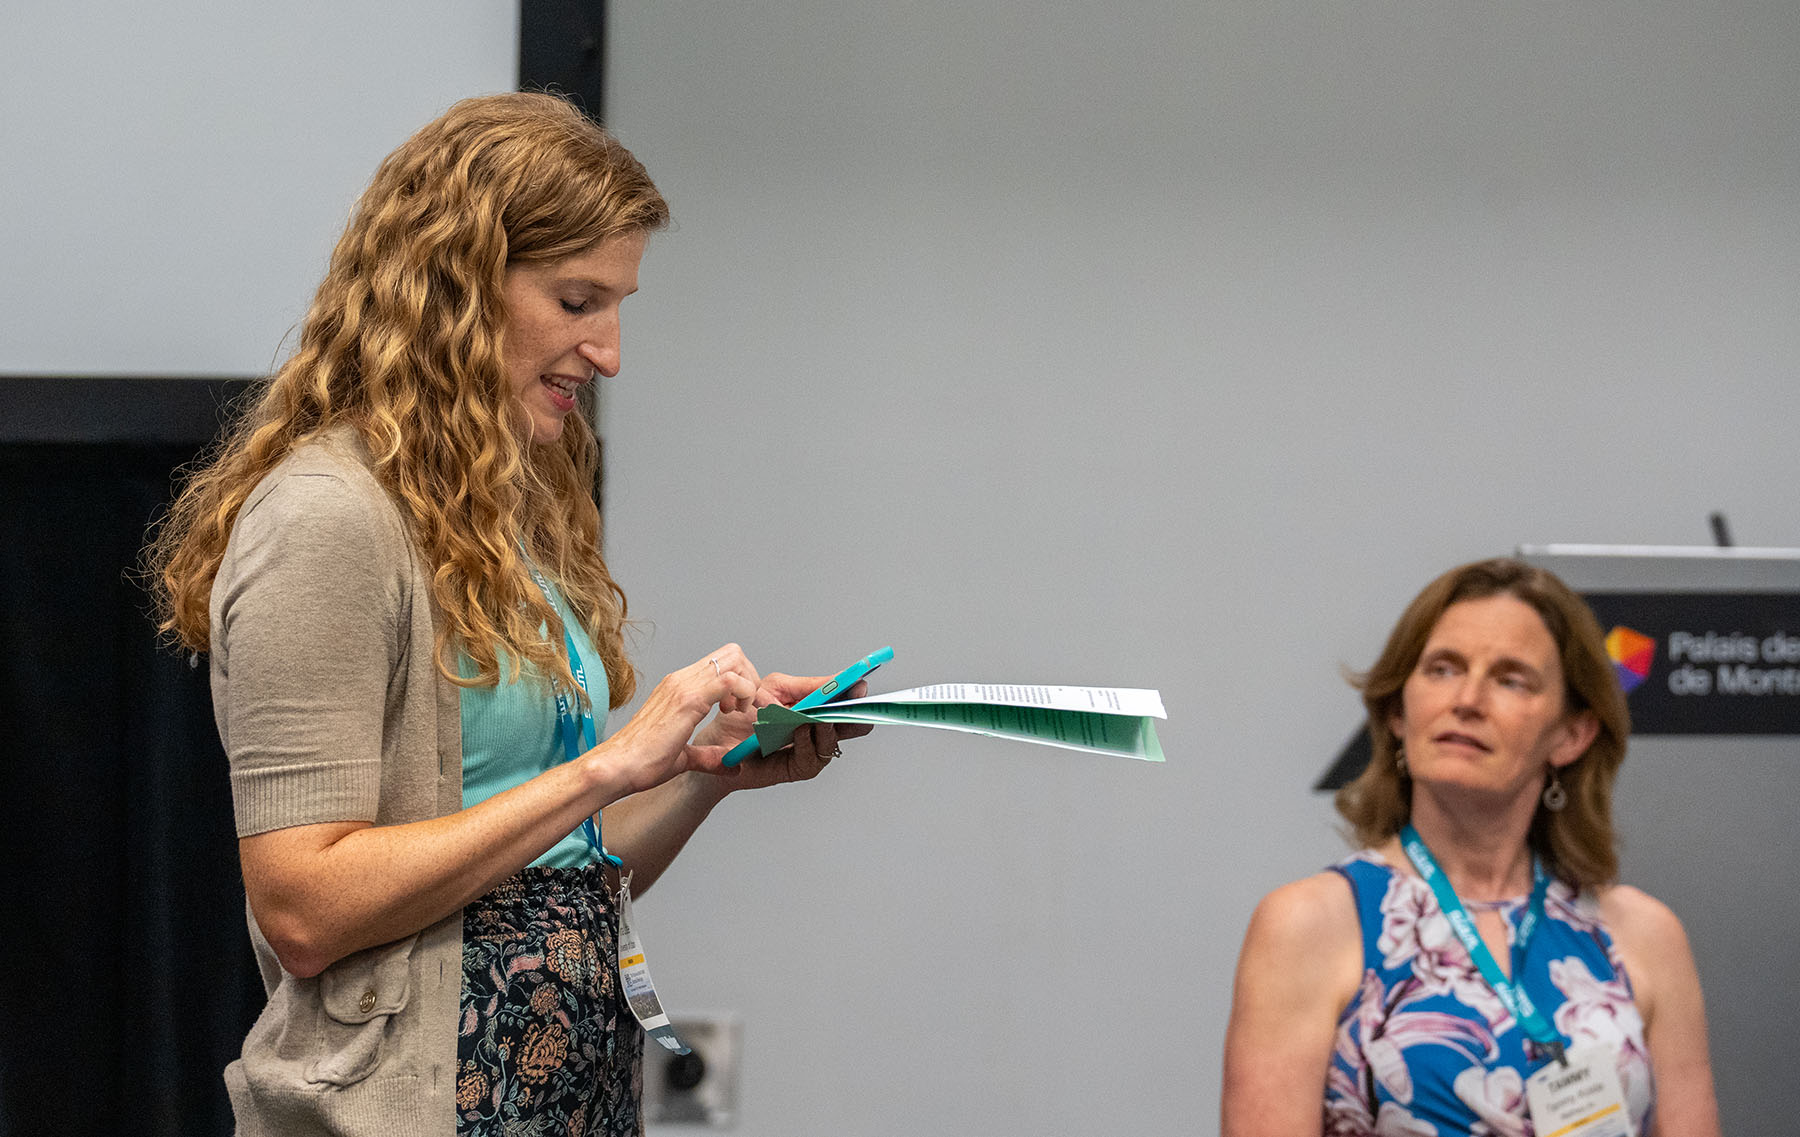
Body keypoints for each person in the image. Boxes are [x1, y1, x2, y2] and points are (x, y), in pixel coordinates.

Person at [150, 92, 866, 1136]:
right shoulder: (325, 517)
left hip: (563, 1094)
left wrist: (697, 775)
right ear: (452, 288)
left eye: (618, 306)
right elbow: (303, 909)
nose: (610, 351)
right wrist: (605, 766)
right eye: (578, 302)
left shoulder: (500, 515)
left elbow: (554, 872)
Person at [1221, 558, 1720, 1136]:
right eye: (1442, 669)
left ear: (1571, 734)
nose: (1468, 699)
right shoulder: (1309, 925)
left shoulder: (1644, 936)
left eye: (1511, 679)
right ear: (1396, 712)